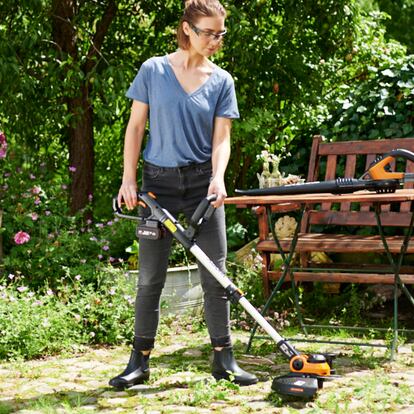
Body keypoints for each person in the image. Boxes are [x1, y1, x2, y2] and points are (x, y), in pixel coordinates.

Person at [109, 0, 258, 389]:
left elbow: (222, 138)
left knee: (216, 276)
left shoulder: (222, 80)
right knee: (149, 279)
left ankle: (223, 360)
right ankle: (138, 362)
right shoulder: (154, 70)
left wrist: (219, 178)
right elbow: (135, 127)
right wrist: (129, 180)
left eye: (220, 33)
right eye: (209, 33)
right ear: (187, 30)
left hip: (201, 187)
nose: (216, 40)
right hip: (157, 188)